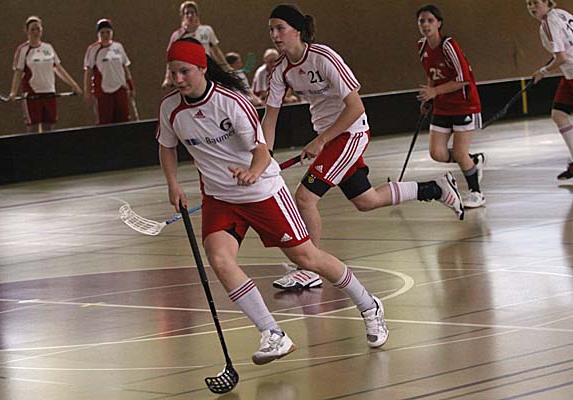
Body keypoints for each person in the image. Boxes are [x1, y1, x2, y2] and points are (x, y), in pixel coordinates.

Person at [157, 38, 389, 364]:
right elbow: (167, 146)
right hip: (219, 198)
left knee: (307, 258)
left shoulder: (232, 102)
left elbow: (262, 151)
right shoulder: (170, 108)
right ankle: (272, 333)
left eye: (185, 72)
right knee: (220, 260)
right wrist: (173, 184)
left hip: (262, 192)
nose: (178, 79)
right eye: (173, 73)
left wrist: (252, 173)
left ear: (202, 68)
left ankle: (368, 304)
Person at [261, 4, 465, 290]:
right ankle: (435, 188)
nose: (274, 35)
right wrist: (264, 158)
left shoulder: (324, 58)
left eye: (280, 28)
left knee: (305, 198)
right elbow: (270, 118)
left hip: (351, 133)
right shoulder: (281, 70)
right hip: (329, 136)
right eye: (271, 29)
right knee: (366, 200)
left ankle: (309, 267)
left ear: (297, 30)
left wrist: (321, 140)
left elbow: (355, 107)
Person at [416, 4, 487, 207]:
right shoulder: (421, 47)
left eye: (430, 21)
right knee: (437, 153)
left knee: (459, 153)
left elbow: (463, 79)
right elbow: (432, 75)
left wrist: (435, 92)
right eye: (422, 21)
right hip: (442, 105)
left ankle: (476, 193)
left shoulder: (448, 45)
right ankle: (473, 161)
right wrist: (429, 98)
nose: (426, 25)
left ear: (439, 23)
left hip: (464, 104)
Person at [9, 16, 82, 133]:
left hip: (49, 93)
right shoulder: (23, 50)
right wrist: (13, 91)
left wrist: (73, 84)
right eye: (32, 29)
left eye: (38, 29)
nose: (35, 32)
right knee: (33, 129)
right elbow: (18, 72)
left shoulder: (48, 48)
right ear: (26, 31)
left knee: (49, 128)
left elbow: (58, 69)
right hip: (32, 94)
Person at [527, 0, 573, 180]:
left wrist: (543, 71)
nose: (532, 7)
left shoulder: (548, 23)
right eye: (529, 4)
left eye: (535, 3)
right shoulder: (562, 14)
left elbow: (561, 57)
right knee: (558, 114)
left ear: (547, 2)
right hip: (568, 74)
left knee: (559, 115)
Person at [162, 1, 231, 88]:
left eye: (192, 12)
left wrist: (226, 67)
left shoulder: (207, 30)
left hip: (206, 69)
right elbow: (170, 59)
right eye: (187, 13)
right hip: (190, 71)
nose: (190, 15)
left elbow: (216, 51)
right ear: (182, 16)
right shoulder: (177, 35)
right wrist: (167, 78)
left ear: (196, 14)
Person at [83, 18, 135, 125]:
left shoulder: (118, 47)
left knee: (123, 120)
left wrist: (131, 86)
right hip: (103, 92)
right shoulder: (93, 49)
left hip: (120, 89)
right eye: (102, 33)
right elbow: (88, 72)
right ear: (98, 34)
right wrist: (87, 91)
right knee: (105, 122)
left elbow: (125, 67)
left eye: (108, 32)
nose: (106, 35)